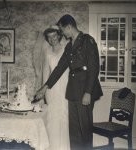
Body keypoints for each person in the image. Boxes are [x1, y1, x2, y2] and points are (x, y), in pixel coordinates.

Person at [34, 14, 103, 150]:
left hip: (85, 90)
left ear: (69, 27)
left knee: (85, 129)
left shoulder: (87, 41)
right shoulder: (69, 46)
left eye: (62, 29)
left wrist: (88, 92)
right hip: (72, 91)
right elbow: (59, 69)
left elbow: (94, 68)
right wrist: (45, 87)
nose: (62, 33)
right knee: (74, 131)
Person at [42, 25, 70, 150]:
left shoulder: (66, 50)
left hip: (65, 87)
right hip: (52, 89)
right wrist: (44, 91)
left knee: (64, 117)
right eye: (49, 37)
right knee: (52, 119)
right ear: (47, 39)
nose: (52, 39)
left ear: (59, 35)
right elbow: (45, 74)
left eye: (54, 36)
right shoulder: (47, 52)